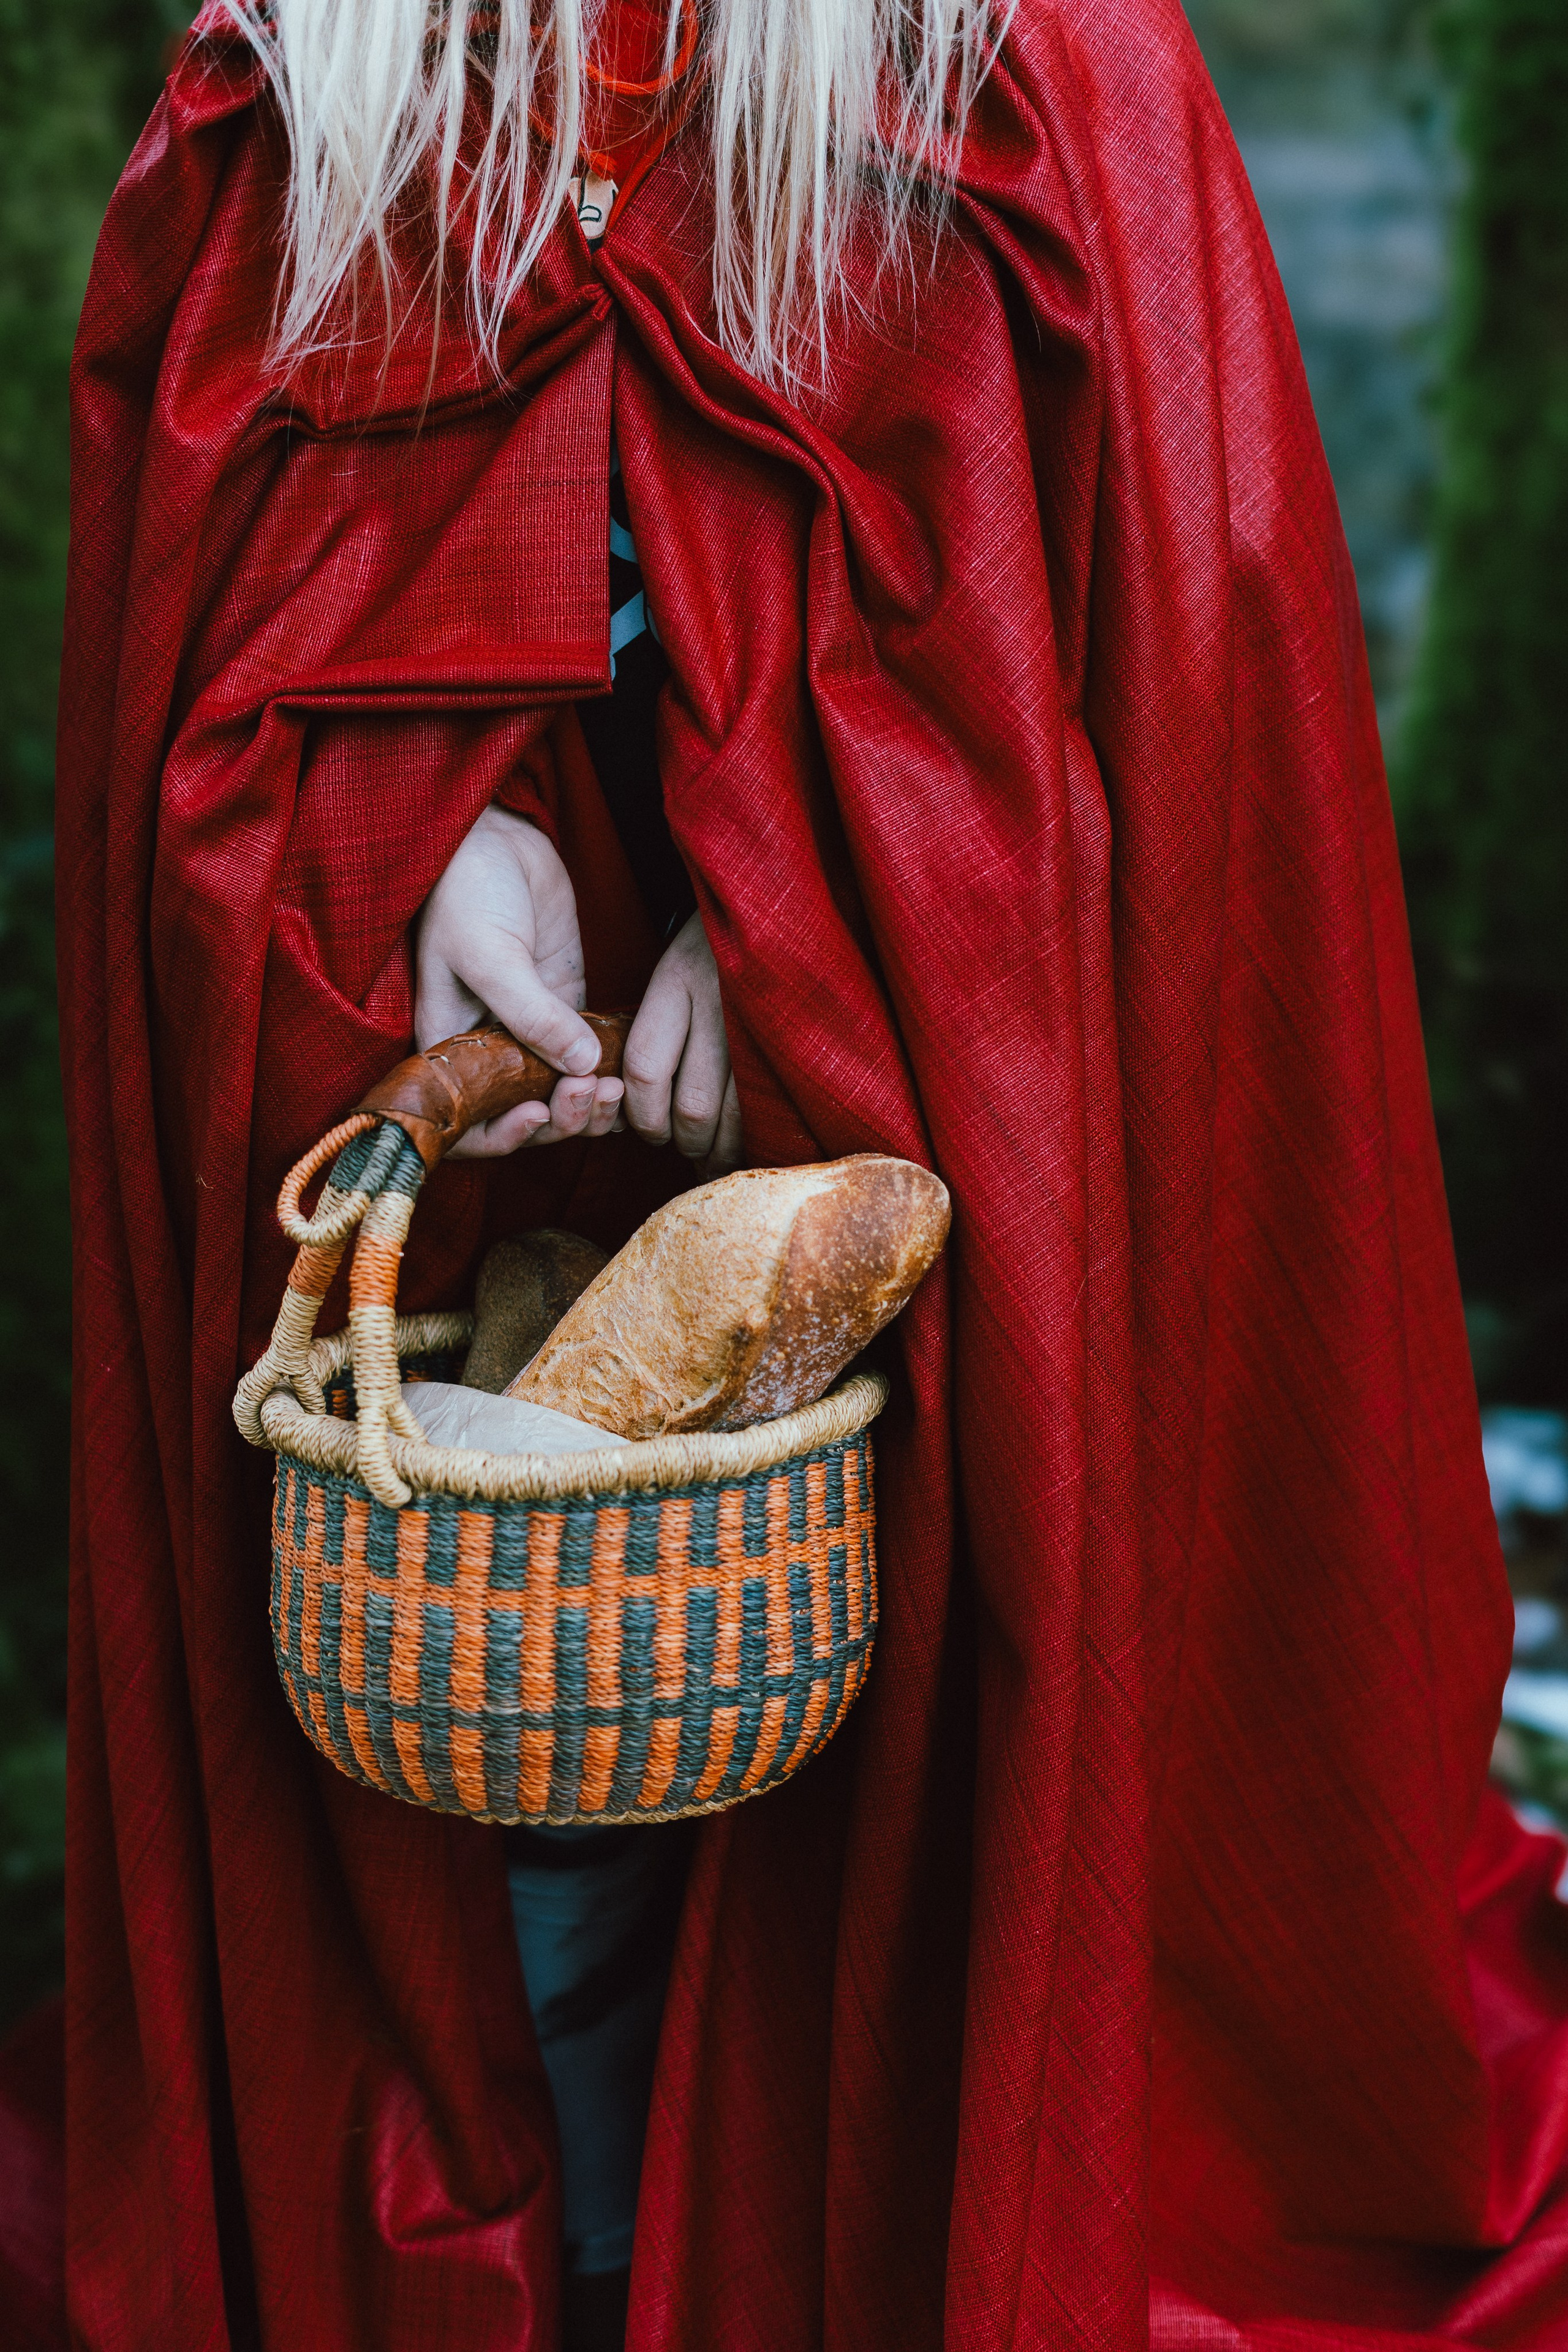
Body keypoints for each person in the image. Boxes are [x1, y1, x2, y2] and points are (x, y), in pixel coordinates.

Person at [48, 0, 1568, 2345]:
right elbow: (226, 660)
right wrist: (422, 842)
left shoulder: (1040, 91)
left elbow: (1172, 705)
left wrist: (831, 952)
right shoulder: (300, 95)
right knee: (518, 1752)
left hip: (915, 1077)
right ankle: (568, 2237)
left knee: (919, 1730)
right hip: (496, 1130)